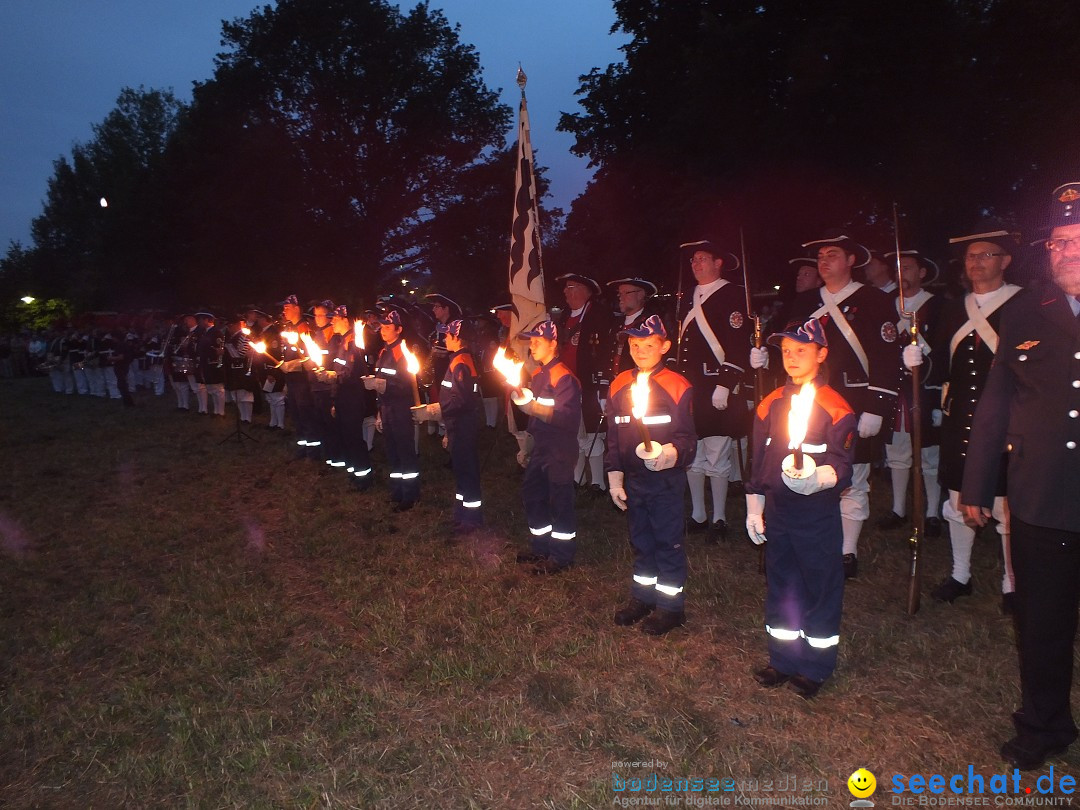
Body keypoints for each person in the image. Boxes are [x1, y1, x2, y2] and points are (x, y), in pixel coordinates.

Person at [961, 181, 1080, 771]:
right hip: (1043, 495)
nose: (1068, 251)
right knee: (1043, 622)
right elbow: (997, 398)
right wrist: (978, 484)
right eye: (1060, 241)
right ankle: (1045, 722)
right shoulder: (1029, 308)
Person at [746, 318, 857, 698]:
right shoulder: (771, 402)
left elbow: (843, 466)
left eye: (802, 351)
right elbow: (758, 460)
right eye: (786, 352)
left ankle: (815, 665)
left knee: (820, 586)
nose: (792, 358)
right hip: (779, 511)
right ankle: (782, 657)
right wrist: (754, 506)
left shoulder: (836, 407)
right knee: (782, 585)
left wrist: (819, 478)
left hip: (816, 515)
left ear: (821, 354)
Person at [784, 231, 900, 578]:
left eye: (832, 254)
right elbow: (791, 350)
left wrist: (877, 405)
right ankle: (812, 539)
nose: (824, 261)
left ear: (852, 260)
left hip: (854, 403)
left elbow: (885, 354)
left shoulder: (874, 300)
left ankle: (846, 551)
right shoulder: (805, 303)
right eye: (821, 255)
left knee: (853, 478)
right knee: (808, 471)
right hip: (810, 404)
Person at [931, 226, 1024, 606]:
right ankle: (960, 574)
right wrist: (919, 361)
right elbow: (941, 362)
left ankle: (1012, 582)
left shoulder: (1024, 306)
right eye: (971, 256)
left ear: (1005, 261)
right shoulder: (954, 307)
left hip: (1007, 421)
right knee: (957, 500)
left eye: (986, 255)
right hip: (960, 419)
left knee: (1006, 506)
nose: (976, 262)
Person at [605, 315, 696, 635]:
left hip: (665, 481)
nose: (640, 350)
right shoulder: (619, 385)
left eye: (648, 344)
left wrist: (669, 455)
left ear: (664, 347)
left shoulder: (676, 386)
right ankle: (643, 597)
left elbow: (687, 440)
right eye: (634, 344)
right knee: (641, 540)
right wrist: (614, 474)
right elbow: (613, 437)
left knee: (666, 540)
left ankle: (671, 607)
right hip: (634, 479)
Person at [676, 239, 752, 542]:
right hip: (690, 387)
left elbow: (738, 343)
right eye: (693, 259)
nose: (696, 264)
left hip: (718, 386)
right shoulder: (687, 298)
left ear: (718, 262)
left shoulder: (734, 295)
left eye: (702, 258)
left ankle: (719, 518)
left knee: (717, 454)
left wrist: (725, 383)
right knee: (692, 455)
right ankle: (698, 514)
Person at [879, 250, 944, 537]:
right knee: (897, 451)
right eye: (898, 268)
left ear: (922, 273)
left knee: (929, 453)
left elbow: (943, 352)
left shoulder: (938, 305)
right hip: (896, 390)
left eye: (907, 268)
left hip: (925, 390)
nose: (901, 273)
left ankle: (932, 513)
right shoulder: (884, 306)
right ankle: (898, 509)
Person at [511, 320, 582, 574]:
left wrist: (535, 408)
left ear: (554, 344)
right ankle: (541, 546)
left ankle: (562, 556)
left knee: (560, 500)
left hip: (560, 448)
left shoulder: (564, 378)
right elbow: (533, 418)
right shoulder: (539, 375)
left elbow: (567, 419)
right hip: (541, 447)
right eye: (531, 342)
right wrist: (526, 445)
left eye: (538, 342)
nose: (532, 347)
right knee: (533, 494)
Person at [415, 319, 485, 533]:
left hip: (463, 425)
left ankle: (472, 519)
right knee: (460, 469)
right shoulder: (457, 360)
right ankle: (461, 513)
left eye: (447, 334)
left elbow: (461, 400)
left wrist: (438, 410)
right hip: (456, 423)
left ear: (457, 338)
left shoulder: (461, 362)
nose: (444, 338)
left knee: (467, 470)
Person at [555, 273, 611, 493]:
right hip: (566, 386)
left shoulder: (598, 316)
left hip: (589, 383)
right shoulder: (565, 316)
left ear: (585, 291)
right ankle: (577, 476)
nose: (565, 292)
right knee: (573, 431)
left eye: (570, 287)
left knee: (589, 431)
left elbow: (604, 351)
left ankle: (597, 481)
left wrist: (602, 385)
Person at [367, 310, 421, 511]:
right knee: (392, 452)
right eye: (382, 326)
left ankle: (411, 495)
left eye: (388, 327)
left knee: (405, 452)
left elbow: (408, 385)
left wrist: (384, 386)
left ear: (399, 330)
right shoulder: (384, 352)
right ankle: (397, 491)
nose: (383, 330)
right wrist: (380, 411)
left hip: (401, 409)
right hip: (387, 409)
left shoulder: (402, 352)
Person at [606, 277, 661, 380]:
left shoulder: (652, 324)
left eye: (626, 293)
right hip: (613, 384)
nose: (621, 298)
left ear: (640, 295)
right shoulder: (615, 323)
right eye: (619, 293)